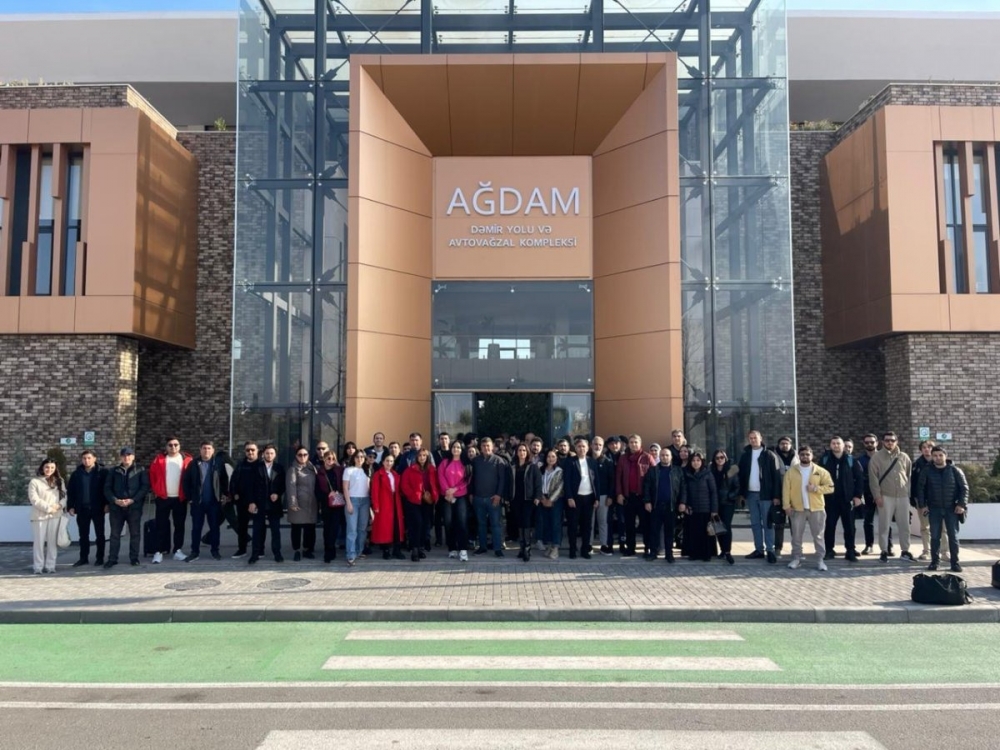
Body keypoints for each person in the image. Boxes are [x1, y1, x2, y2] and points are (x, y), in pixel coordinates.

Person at [916, 445, 968, 573]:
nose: (938, 458)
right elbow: (920, 489)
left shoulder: (955, 470)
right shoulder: (927, 471)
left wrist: (961, 505)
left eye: (940, 455)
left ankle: (955, 563)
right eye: (935, 455)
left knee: (953, 537)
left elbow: (964, 488)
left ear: (946, 456)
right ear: (932, 457)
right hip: (934, 508)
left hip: (952, 509)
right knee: (935, 536)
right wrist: (922, 506)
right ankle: (934, 562)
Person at [783, 445, 834, 571]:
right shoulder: (791, 471)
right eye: (802, 454)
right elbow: (786, 490)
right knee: (796, 536)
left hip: (816, 509)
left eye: (807, 454)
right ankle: (796, 558)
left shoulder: (820, 471)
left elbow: (830, 487)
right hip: (797, 509)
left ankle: (820, 560)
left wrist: (816, 489)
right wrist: (786, 506)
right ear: (799, 456)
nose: (805, 456)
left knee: (818, 536)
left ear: (812, 455)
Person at [737, 430, 783, 563]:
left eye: (755, 438)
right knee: (755, 523)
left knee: (768, 523)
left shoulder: (769, 455)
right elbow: (742, 476)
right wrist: (742, 494)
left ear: (761, 438)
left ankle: (770, 550)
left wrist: (776, 496)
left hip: (766, 495)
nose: (753, 440)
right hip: (751, 494)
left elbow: (776, 477)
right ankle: (758, 549)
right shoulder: (745, 455)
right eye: (750, 438)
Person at [869, 431, 914, 563]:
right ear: (883, 442)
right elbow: (873, 479)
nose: (890, 442)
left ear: (896, 442)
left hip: (902, 496)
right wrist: (877, 496)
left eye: (892, 440)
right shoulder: (876, 457)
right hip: (885, 495)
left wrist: (908, 493)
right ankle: (884, 550)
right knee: (884, 525)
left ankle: (905, 551)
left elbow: (908, 476)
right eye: (887, 440)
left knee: (904, 525)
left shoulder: (904, 456)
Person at [181, 441, 230, 562]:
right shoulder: (193, 464)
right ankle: (194, 552)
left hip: (214, 502)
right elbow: (186, 481)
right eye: (204, 448)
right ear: (200, 449)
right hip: (198, 503)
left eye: (209, 448)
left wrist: (224, 495)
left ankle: (215, 551)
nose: (206, 450)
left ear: (213, 450)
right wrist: (190, 498)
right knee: (196, 528)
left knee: (214, 528)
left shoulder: (218, 464)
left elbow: (224, 480)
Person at [818, 436, 864, 562]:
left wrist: (857, 496)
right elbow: (818, 478)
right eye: (833, 443)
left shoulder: (851, 460)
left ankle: (850, 550)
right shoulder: (824, 459)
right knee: (829, 526)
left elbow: (859, 479)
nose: (836, 445)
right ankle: (829, 550)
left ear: (843, 445)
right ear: (830, 445)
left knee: (849, 526)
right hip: (830, 499)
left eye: (838, 443)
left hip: (847, 499)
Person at [148, 437, 193, 564]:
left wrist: (189, 495)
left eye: (176, 444)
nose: (173, 447)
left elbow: (192, 478)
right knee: (161, 525)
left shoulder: (187, 460)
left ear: (179, 446)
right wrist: (156, 491)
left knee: (179, 525)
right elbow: (152, 476)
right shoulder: (159, 460)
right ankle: (158, 551)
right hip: (163, 498)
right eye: (170, 445)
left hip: (180, 498)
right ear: (166, 447)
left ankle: (177, 550)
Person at [103, 448, 150, 569]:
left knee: (135, 533)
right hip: (116, 508)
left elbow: (144, 487)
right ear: (120, 457)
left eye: (129, 455)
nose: (126, 457)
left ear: (133, 457)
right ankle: (112, 559)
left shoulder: (140, 470)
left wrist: (133, 500)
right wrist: (115, 500)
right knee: (115, 534)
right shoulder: (114, 471)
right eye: (124, 455)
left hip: (134, 507)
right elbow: (107, 488)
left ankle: (134, 558)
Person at [66, 449, 107, 567]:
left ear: (94, 459)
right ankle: (83, 558)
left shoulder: (102, 472)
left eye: (89, 458)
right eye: (84, 458)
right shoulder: (76, 474)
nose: (86, 460)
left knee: (100, 535)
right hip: (82, 509)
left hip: (98, 508)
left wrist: (107, 504)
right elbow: (71, 491)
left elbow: (107, 489)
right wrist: (70, 506)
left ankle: (100, 558)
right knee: (83, 535)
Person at [643, 445, 684, 563]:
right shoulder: (653, 470)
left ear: (671, 457)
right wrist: (647, 501)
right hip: (656, 505)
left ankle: (669, 554)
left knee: (669, 531)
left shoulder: (677, 471)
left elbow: (683, 488)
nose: (664, 457)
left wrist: (682, 502)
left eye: (667, 455)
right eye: (662, 455)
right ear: (659, 456)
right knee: (654, 530)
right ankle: (653, 552)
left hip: (671, 506)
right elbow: (646, 487)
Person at [615, 434, 654, 558]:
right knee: (629, 524)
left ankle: (648, 547)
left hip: (643, 497)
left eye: (636, 442)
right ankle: (630, 548)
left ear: (640, 443)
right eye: (631, 442)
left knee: (646, 524)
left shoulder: (647, 457)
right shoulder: (623, 458)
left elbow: (654, 477)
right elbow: (618, 477)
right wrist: (619, 494)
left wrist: (650, 498)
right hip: (628, 497)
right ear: (628, 444)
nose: (633, 444)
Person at [562, 437, 600, 560]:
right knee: (573, 525)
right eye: (579, 446)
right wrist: (569, 497)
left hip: (589, 498)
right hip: (575, 498)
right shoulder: (570, 462)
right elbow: (566, 481)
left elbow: (596, 481)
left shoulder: (592, 462)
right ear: (575, 448)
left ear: (588, 448)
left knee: (587, 526)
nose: (581, 448)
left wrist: (597, 498)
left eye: (584, 446)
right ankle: (572, 550)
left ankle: (585, 550)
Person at [285, 446, 325, 561]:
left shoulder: (312, 468)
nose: (302, 457)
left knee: (310, 528)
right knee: (296, 527)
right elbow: (291, 486)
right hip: (299, 503)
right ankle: (297, 550)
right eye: (300, 455)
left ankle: (308, 549)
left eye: (305, 455)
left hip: (311, 503)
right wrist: (293, 502)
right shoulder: (293, 469)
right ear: (296, 456)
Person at [471, 437, 509, 557]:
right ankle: (482, 547)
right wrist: (471, 494)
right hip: (478, 498)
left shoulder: (499, 460)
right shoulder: (476, 461)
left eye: (488, 445)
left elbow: (502, 480)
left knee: (495, 524)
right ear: (480, 448)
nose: (486, 448)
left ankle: (498, 548)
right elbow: (472, 478)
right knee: (481, 524)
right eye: (483, 446)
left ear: (492, 446)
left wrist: (498, 495)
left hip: (493, 498)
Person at [911, 440, 948, 561]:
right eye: (924, 447)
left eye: (930, 447)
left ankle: (944, 552)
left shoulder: (944, 464)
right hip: (923, 501)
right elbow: (913, 483)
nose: (927, 449)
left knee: (943, 527)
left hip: (940, 500)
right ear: (921, 450)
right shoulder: (916, 465)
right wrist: (914, 498)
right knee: (925, 527)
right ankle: (927, 551)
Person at [28, 458, 66, 574]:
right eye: (47, 467)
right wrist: (49, 508)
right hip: (39, 516)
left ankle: (50, 566)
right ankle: (38, 567)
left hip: (55, 515)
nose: (49, 469)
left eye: (52, 467)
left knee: (52, 543)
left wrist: (60, 505)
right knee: (39, 543)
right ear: (42, 468)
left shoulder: (59, 481)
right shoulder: (35, 482)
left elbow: (65, 496)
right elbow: (34, 499)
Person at [679, 451, 719, 562]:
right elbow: (684, 491)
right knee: (693, 533)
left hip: (706, 509)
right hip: (692, 509)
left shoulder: (708, 474)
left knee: (705, 533)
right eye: (693, 460)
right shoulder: (687, 474)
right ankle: (693, 554)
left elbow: (713, 492)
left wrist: (714, 510)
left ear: (702, 462)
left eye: (698, 460)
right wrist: (684, 503)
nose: (695, 463)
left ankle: (706, 555)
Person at [248, 443, 284, 564]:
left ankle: (277, 554)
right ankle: (255, 554)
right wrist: (252, 502)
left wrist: (277, 494)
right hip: (259, 503)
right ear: (263, 454)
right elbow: (250, 486)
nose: (269, 455)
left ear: (275, 455)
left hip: (274, 504)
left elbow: (282, 485)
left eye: (272, 453)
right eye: (267, 453)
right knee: (257, 530)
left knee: (275, 530)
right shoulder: (256, 467)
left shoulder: (279, 468)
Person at [401, 448, 438, 562]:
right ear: (416, 457)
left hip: (427, 501)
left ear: (427, 457)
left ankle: (421, 547)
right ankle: (415, 549)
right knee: (416, 523)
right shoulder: (410, 469)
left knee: (425, 525)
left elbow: (436, 483)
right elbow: (404, 485)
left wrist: (434, 495)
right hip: (413, 501)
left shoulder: (432, 469)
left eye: (424, 455)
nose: (422, 457)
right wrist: (413, 495)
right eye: (420, 455)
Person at [438, 440, 471, 562]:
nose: (456, 449)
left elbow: (467, 480)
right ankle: (452, 548)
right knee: (448, 522)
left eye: (458, 447)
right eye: (454, 447)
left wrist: (455, 489)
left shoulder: (466, 464)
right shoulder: (445, 462)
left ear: (462, 449)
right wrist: (448, 491)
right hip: (447, 496)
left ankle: (463, 549)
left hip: (461, 496)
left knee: (462, 522)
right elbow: (440, 477)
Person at [509, 443, 543, 562]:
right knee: (519, 523)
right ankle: (521, 547)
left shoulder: (532, 467)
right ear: (517, 452)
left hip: (529, 500)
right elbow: (509, 483)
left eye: (524, 450)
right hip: (516, 499)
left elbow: (538, 483)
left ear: (527, 452)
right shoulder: (513, 467)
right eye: (520, 450)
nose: (522, 452)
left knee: (527, 523)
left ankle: (527, 549)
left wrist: (537, 496)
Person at [228, 441, 260, 559]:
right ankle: (242, 549)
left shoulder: (261, 465)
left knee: (258, 528)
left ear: (257, 451)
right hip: (241, 502)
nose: (250, 452)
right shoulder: (240, 465)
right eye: (248, 450)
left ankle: (258, 550)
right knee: (242, 527)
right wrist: (234, 494)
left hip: (257, 502)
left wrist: (255, 502)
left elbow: (262, 485)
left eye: (252, 450)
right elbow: (233, 481)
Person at [371, 453, 405, 561]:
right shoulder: (378, 474)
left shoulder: (395, 474)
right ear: (383, 462)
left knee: (396, 526)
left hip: (396, 502)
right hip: (384, 503)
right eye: (387, 461)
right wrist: (376, 505)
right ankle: (386, 550)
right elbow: (374, 491)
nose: (389, 463)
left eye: (391, 461)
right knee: (385, 528)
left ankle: (397, 550)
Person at [857, 433, 887, 555]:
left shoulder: (884, 458)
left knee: (885, 520)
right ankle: (869, 545)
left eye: (872, 442)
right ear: (863, 444)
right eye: (867, 442)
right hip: (867, 493)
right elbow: (858, 478)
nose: (869, 444)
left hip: (883, 492)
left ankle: (888, 546)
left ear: (877, 443)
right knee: (868, 521)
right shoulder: (859, 460)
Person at [342, 450, 372, 566]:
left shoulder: (367, 470)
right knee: (352, 530)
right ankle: (351, 554)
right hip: (353, 500)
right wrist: (348, 503)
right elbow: (345, 488)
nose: (360, 459)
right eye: (357, 457)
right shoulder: (348, 470)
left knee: (362, 529)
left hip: (365, 501)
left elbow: (369, 488)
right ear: (354, 458)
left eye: (362, 457)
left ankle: (359, 551)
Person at [710, 449, 740, 565]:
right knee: (718, 527)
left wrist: (729, 496)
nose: (720, 460)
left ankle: (727, 551)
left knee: (726, 526)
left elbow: (737, 486)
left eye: (722, 457)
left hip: (727, 503)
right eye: (717, 458)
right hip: (715, 502)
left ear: (725, 458)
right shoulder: (711, 470)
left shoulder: (731, 470)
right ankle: (722, 550)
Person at [772, 436, 798, 555]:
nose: (785, 445)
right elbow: (772, 478)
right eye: (782, 443)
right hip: (779, 493)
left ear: (791, 445)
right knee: (779, 523)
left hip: (794, 495)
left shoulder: (797, 456)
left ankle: (796, 549)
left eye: (787, 443)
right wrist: (775, 495)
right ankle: (778, 548)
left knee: (795, 524)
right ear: (779, 445)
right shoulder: (774, 456)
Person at [591, 436, 615, 556]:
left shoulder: (608, 462)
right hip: (589, 496)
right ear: (591, 445)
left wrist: (610, 496)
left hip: (604, 496)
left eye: (600, 445)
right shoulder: (586, 460)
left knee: (603, 521)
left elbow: (612, 481)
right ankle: (588, 544)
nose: (597, 447)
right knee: (589, 522)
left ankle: (604, 545)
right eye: (595, 444)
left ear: (603, 447)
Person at [539, 449, 565, 559]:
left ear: (556, 458)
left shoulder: (559, 471)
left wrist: (551, 500)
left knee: (555, 523)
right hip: (543, 498)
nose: (551, 459)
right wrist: (542, 498)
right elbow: (537, 484)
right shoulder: (541, 470)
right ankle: (549, 545)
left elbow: (560, 487)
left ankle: (556, 547)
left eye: (553, 456)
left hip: (556, 500)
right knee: (546, 523)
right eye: (549, 456)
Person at [320, 452, 345, 563]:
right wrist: (327, 494)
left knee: (334, 528)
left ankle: (330, 550)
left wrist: (338, 492)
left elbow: (344, 485)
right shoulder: (320, 472)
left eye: (333, 458)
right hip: (325, 503)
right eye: (328, 458)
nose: (330, 460)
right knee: (326, 528)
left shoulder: (339, 470)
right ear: (324, 459)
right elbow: (317, 489)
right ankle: (328, 549)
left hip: (337, 503)